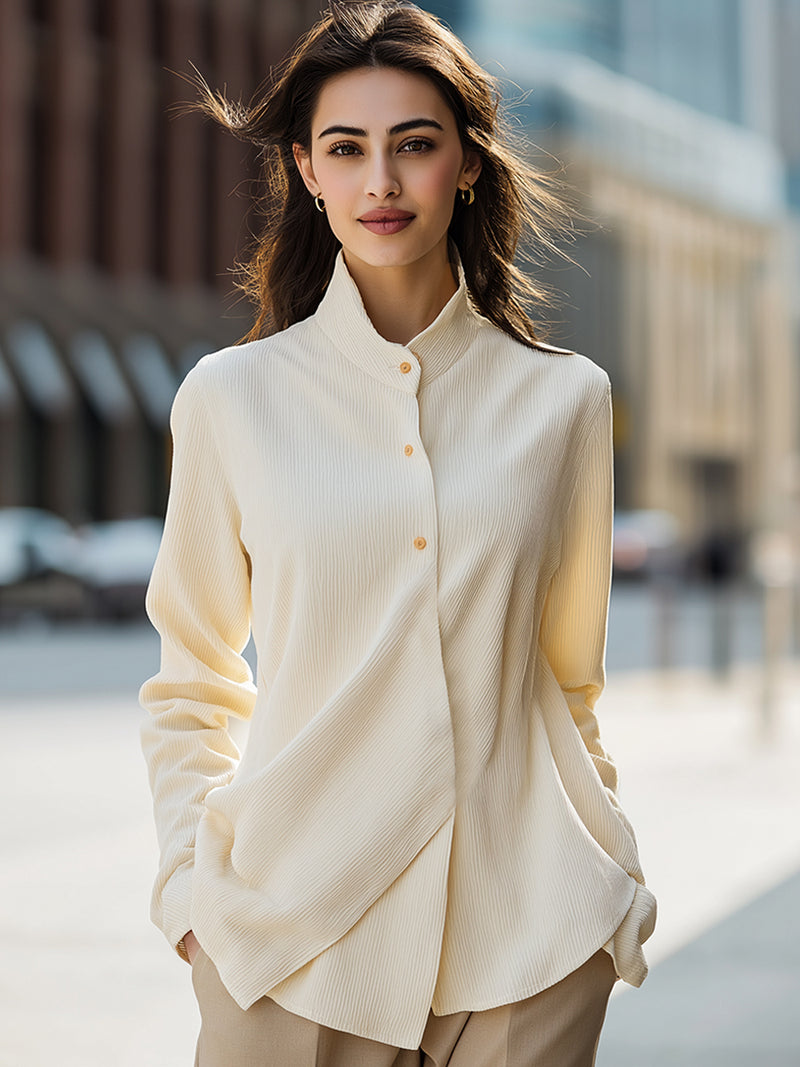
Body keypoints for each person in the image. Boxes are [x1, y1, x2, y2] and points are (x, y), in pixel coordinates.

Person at [139, 3, 656, 1064]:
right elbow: (192, 675)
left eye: (413, 145)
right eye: (346, 148)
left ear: (464, 164)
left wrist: (607, 865)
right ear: (307, 170)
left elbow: (568, 680)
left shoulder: (564, 403)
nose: (380, 180)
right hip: (289, 941)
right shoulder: (231, 399)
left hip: (529, 944)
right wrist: (191, 889)